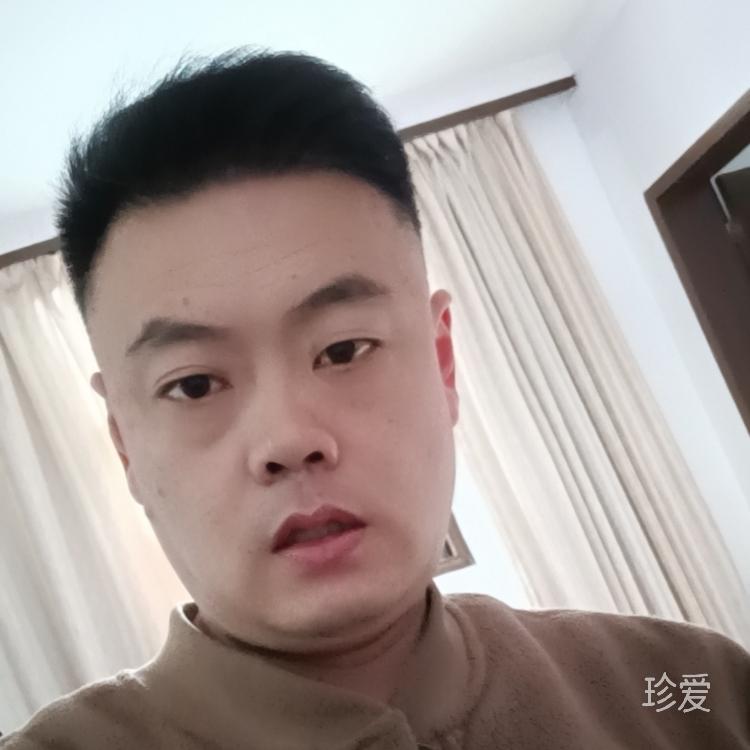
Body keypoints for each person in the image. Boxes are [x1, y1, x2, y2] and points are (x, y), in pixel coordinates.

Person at [2, 49, 749, 750]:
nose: (289, 439)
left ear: (443, 360)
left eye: (343, 349)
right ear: (125, 444)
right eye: (194, 384)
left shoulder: (691, 689)